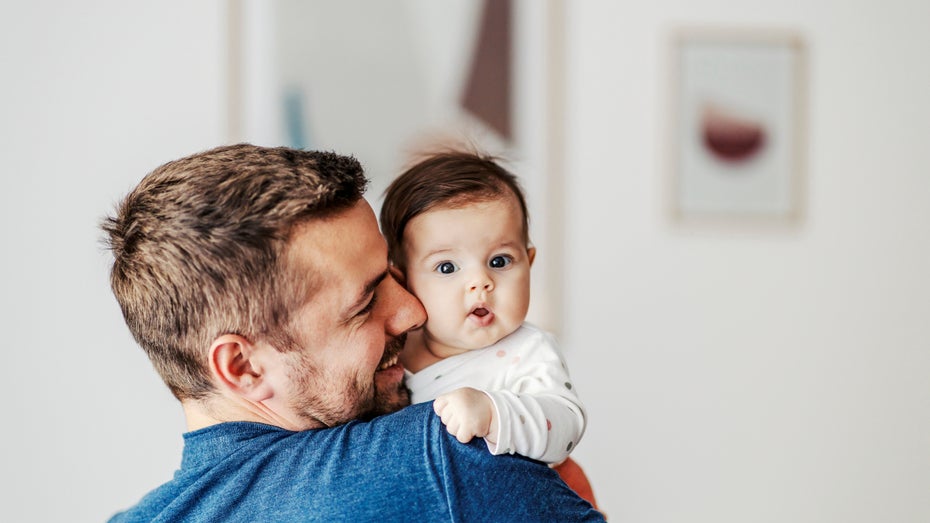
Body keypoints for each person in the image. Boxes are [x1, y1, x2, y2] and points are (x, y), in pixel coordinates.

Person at [101, 144, 604, 522]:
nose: (412, 312)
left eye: (396, 276)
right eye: (365, 303)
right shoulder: (448, 457)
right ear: (243, 367)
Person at [380, 150, 598, 508]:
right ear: (403, 283)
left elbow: (565, 426)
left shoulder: (526, 350)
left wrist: (493, 412)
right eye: (447, 267)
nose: (480, 282)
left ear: (529, 263)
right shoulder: (394, 353)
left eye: (499, 261)